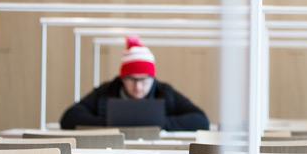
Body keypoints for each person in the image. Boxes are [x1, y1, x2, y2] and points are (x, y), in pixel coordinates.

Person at [59, 36, 209, 131]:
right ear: (122, 78)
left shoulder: (165, 92)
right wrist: (111, 123)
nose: (138, 87)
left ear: (153, 78)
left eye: (144, 80)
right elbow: (69, 118)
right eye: (131, 79)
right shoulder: (107, 90)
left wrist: (159, 123)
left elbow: (201, 121)